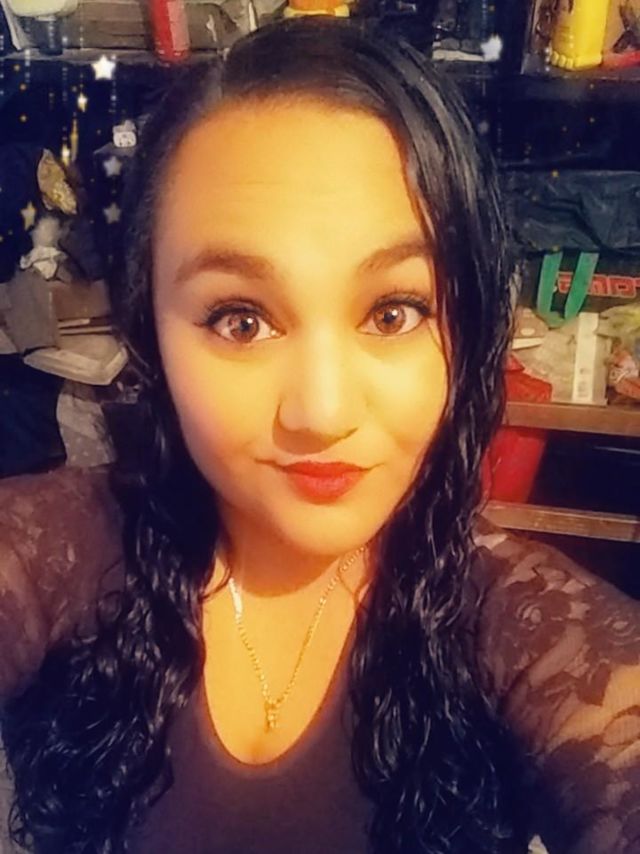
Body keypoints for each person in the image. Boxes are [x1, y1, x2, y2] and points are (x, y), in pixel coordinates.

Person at [0, 15, 639, 854]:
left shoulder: (522, 627)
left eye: (394, 312)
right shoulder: (67, 552)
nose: (323, 411)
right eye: (241, 320)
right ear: (150, 332)